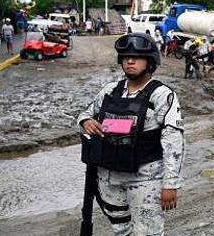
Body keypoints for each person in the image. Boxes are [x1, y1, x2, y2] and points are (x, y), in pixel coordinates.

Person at [77, 33, 185, 235]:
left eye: (137, 57)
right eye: (126, 57)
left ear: (150, 61)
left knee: (147, 232)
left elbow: (173, 141)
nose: (130, 61)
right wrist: (86, 122)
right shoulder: (110, 91)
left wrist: (170, 184)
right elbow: (85, 114)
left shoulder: (161, 95)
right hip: (108, 178)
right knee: (121, 231)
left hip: (145, 178)